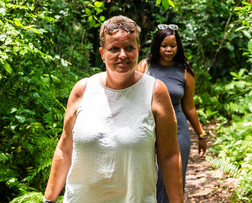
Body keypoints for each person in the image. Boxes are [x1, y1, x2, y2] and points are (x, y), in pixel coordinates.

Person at [43, 16, 183, 203]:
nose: (123, 55)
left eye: (129, 48)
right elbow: (65, 149)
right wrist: (48, 199)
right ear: (102, 53)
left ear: (138, 50)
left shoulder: (154, 91)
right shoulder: (83, 90)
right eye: (114, 49)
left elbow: (169, 155)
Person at [136, 23, 208, 203]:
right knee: (149, 177)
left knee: (173, 180)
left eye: (173, 46)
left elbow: (189, 107)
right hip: (148, 129)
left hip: (178, 132)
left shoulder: (185, 72)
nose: (169, 49)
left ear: (178, 46)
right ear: (156, 46)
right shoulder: (145, 67)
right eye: (164, 46)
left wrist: (201, 134)